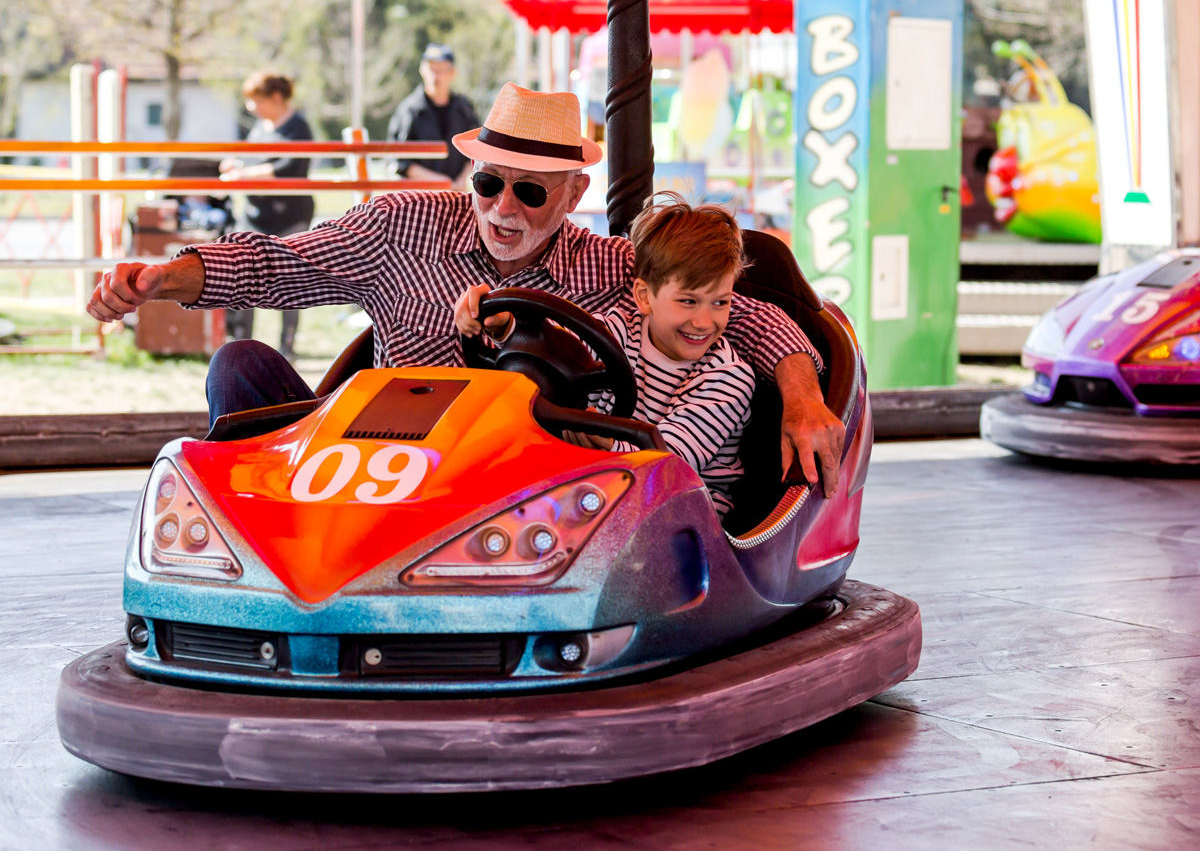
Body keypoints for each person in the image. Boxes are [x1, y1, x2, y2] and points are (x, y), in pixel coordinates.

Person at [85, 83, 846, 496]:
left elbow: (739, 315)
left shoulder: (613, 270)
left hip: (497, 494)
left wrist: (805, 396)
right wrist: (159, 279)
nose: (503, 208)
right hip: (368, 467)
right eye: (488, 182)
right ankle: (255, 554)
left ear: (574, 193)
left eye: (531, 193)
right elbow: (278, 263)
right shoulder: (400, 226)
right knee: (239, 367)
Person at [455, 193, 754, 519]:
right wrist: (505, 328)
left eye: (720, 303)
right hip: (603, 490)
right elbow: (561, 352)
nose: (704, 322)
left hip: (684, 515)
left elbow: (671, 464)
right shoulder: (618, 329)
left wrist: (606, 443)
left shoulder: (727, 379)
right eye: (688, 301)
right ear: (644, 297)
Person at [219, 71, 315, 361]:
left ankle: (287, 344)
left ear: (276, 98)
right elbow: (250, 157)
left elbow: (288, 166)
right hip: (254, 215)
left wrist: (244, 173)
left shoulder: (298, 128)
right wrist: (235, 163)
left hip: (289, 216)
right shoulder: (260, 127)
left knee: (290, 281)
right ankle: (241, 342)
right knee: (244, 275)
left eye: (257, 101)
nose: (253, 108)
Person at [387, 43, 480, 190]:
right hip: (421, 196)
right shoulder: (410, 110)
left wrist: (461, 180)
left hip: (458, 192)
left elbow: (477, 149)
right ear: (421, 70)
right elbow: (398, 160)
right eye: (431, 69)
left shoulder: (464, 108)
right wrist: (439, 182)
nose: (435, 76)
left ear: (452, 72)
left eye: (441, 70)